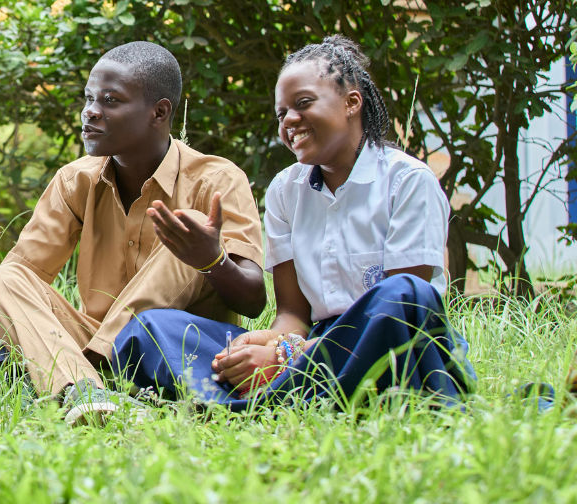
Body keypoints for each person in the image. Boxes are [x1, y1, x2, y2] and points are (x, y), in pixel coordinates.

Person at [0, 42, 267, 425]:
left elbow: (252, 300)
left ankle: (86, 373)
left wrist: (211, 259)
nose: (91, 111)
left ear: (160, 112)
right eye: (89, 98)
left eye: (111, 100)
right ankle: (85, 391)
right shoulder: (75, 180)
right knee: (4, 278)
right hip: (80, 339)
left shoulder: (216, 180)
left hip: (174, 351)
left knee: (185, 238)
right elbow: (16, 286)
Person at [113, 35, 475, 409]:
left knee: (404, 294)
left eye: (303, 104)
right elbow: (292, 315)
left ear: (352, 103)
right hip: (311, 349)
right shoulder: (286, 190)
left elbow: (401, 315)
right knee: (154, 328)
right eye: (281, 114)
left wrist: (285, 357)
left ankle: (256, 403)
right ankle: (286, 396)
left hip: (392, 347)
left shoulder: (408, 181)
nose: (290, 121)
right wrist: (267, 344)